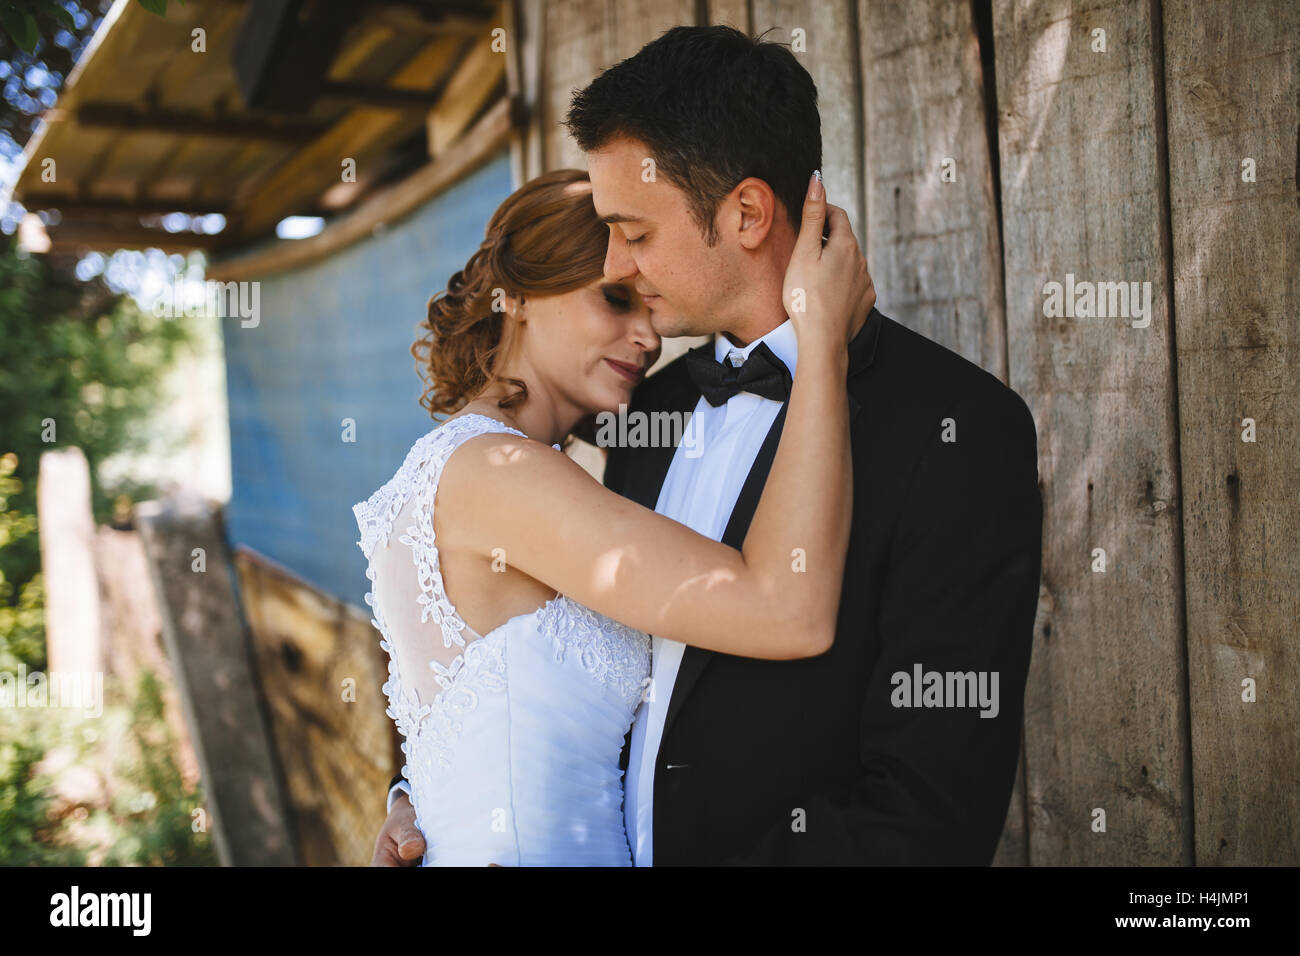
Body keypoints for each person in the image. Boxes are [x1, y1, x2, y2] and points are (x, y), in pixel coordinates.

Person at [376, 24, 1042, 867]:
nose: (622, 265)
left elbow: (925, 815)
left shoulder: (956, 430)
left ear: (748, 214)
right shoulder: (648, 413)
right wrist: (431, 803)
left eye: (637, 235)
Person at [355, 164, 872, 865]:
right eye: (614, 300)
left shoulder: (480, 466)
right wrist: (822, 345)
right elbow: (786, 610)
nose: (649, 338)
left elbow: (473, 714)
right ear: (523, 298)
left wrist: (411, 797)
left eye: (649, 307)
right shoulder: (500, 476)